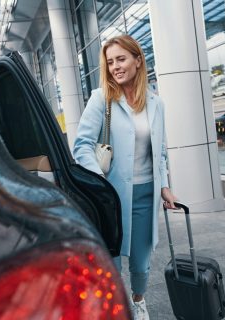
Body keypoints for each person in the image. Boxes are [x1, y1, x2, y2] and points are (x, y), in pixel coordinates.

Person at [73, 35, 177, 320]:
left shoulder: (156, 104)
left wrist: (165, 186)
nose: (115, 67)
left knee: (141, 262)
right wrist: (100, 184)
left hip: (147, 195)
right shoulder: (101, 99)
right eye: (110, 62)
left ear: (137, 60)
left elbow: (161, 152)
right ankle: (116, 306)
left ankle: (138, 300)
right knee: (113, 260)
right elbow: (81, 146)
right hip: (111, 198)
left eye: (121, 59)